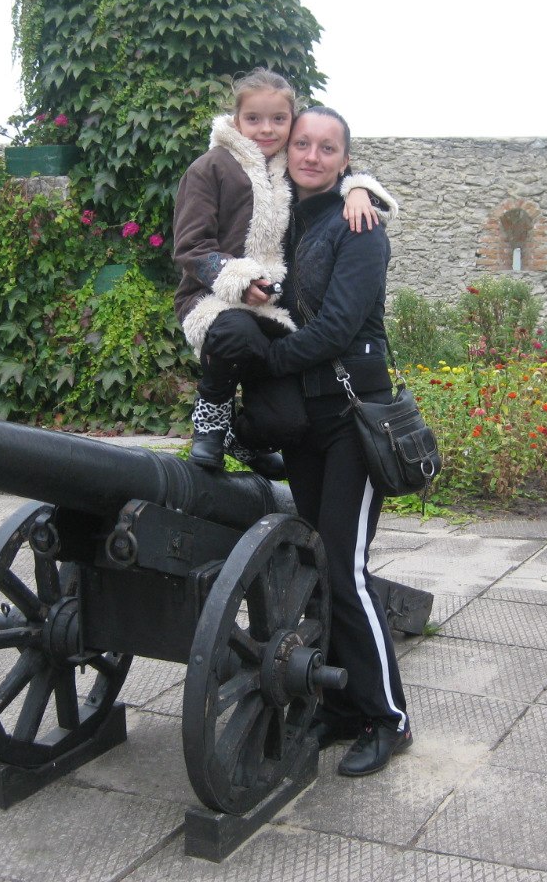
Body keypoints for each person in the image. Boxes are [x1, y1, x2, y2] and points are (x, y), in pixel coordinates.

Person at [264, 105, 411, 777]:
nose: (312, 156)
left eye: (328, 148)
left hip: (354, 415)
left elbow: (339, 326)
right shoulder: (279, 221)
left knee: (347, 572)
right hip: (306, 420)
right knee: (319, 565)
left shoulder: (361, 225)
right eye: (303, 144)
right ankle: (344, 705)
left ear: (346, 159)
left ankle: (388, 718)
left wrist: (267, 361)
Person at [172, 69, 396, 476]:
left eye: (278, 119)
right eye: (253, 118)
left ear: (291, 123)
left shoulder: (282, 169)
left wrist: (358, 189)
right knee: (236, 331)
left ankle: (240, 438)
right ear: (236, 119)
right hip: (216, 300)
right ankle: (211, 418)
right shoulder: (211, 168)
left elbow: (330, 167)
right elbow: (190, 247)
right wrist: (239, 280)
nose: (266, 129)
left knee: (287, 423)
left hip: (270, 314)